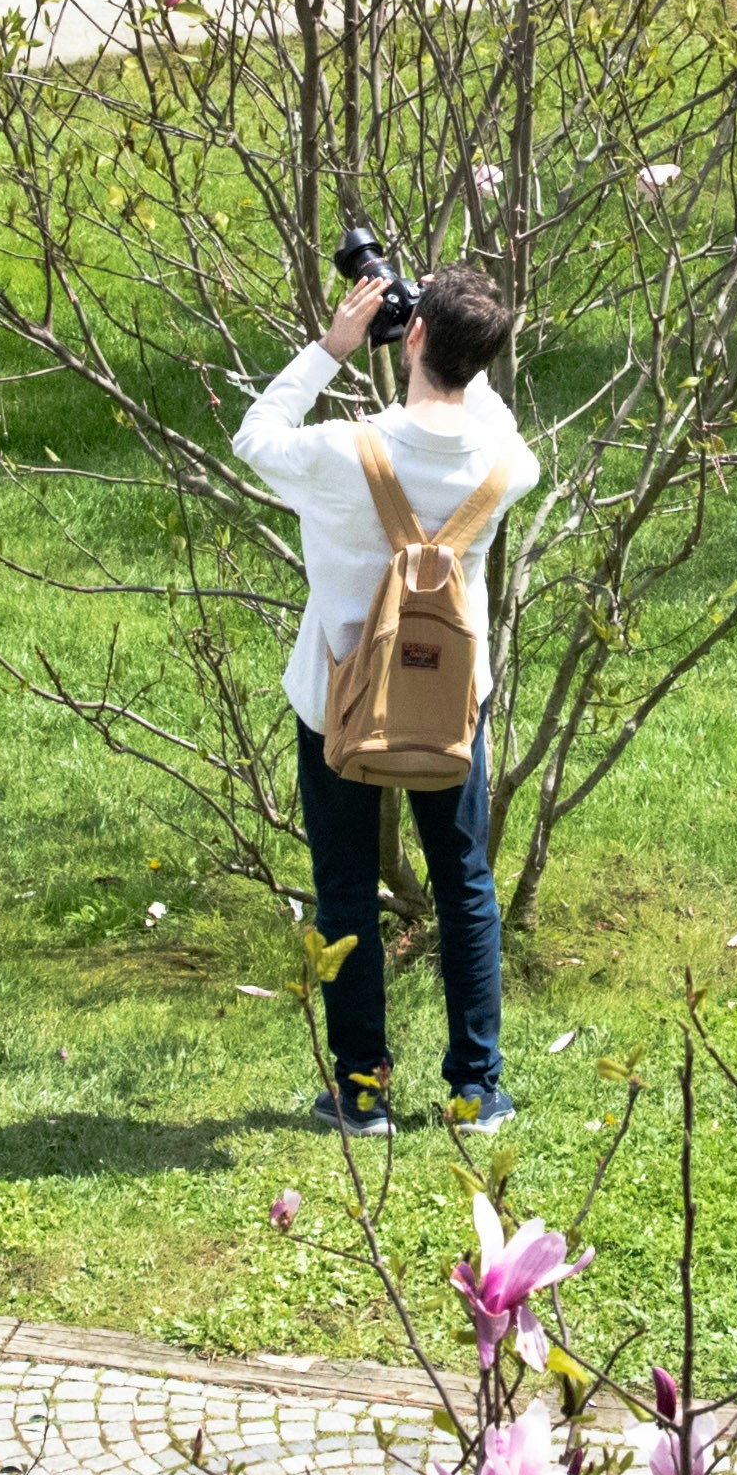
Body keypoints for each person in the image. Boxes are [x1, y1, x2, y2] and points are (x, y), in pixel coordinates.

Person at [234, 263, 542, 1135]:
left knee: (343, 891)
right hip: (450, 708)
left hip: (337, 702)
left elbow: (256, 435)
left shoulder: (340, 452)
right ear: (481, 359)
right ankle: (476, 1090)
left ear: (409, 337)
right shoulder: (507, 464)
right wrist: (451, 340)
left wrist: (335, 346)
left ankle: (362, 1092)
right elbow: (489, 412)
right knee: (465, 887)